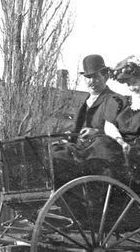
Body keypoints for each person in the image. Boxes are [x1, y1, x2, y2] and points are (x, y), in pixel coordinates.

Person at [52, 54, 127, 182]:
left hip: (100, 153)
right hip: (81, 150)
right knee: (52, 153)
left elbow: (119, 130)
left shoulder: (114, 100)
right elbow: (75, 128)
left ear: (106, 76)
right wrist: (68, 136)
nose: (91, 81)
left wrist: (97, 132)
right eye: (87, 77)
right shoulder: (84, 101)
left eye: (95, 77)